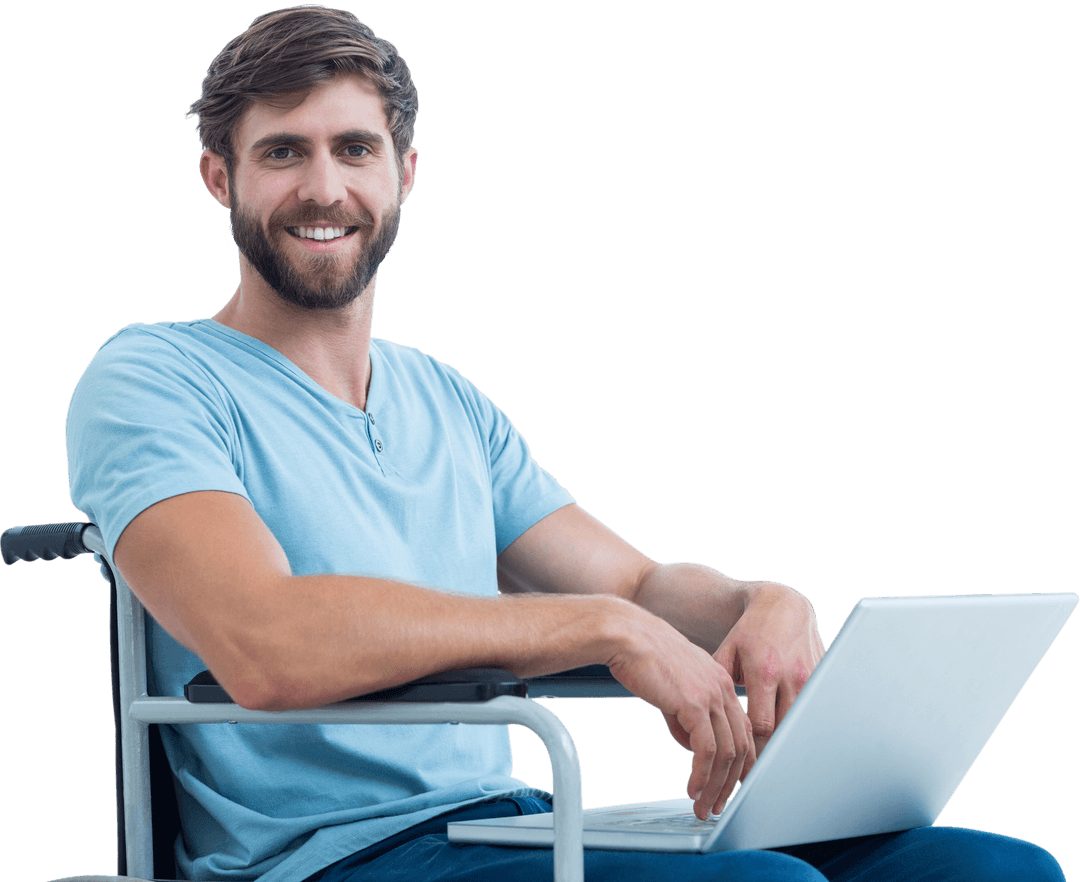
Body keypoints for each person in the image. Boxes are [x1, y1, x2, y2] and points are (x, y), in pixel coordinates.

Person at [64, 6, 1064, 882]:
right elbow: (264, 644)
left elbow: (631, 588)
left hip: (504, 829)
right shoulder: (153, 379)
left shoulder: (445, 400)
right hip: (336, 855)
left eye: (354, 149)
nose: (324, 188)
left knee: (997, 868)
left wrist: (768, 603)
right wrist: (598, 631)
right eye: (283, 152)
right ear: (217, 177)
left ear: (403, 174)